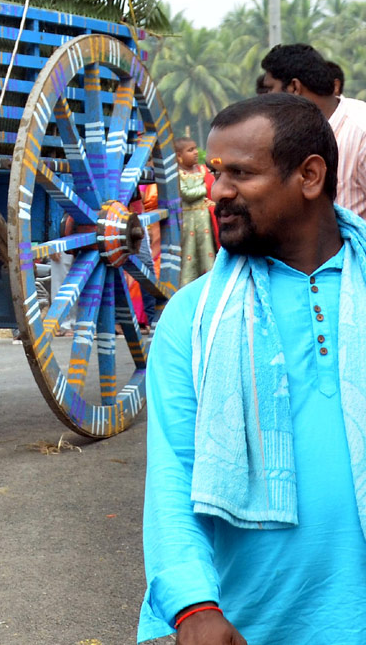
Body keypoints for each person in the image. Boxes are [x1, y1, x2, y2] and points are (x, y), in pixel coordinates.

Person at [139, 93, 366, 644]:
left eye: (241, 173)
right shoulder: (192, 319)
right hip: (249, 627)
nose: (218, 192)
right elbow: (173, 474)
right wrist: (193, 607)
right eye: (216, 173)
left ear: (310, 176)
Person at [260, 43, 366, 219]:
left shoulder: (360, 132)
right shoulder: (291, 133)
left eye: (270, 89)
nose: (265, 98)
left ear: (294, 88)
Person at [175, 136, 217, 286]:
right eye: (190, 150)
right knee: (189, 253)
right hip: (188, 219)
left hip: (205, 219)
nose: (195, 152)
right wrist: (205, 188)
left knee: (208, 250)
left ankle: (211, 283)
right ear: (179, 156)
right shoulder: (178, 174)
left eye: (195, 149)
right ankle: (187, 286)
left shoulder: (202, 170)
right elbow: (186, 193)